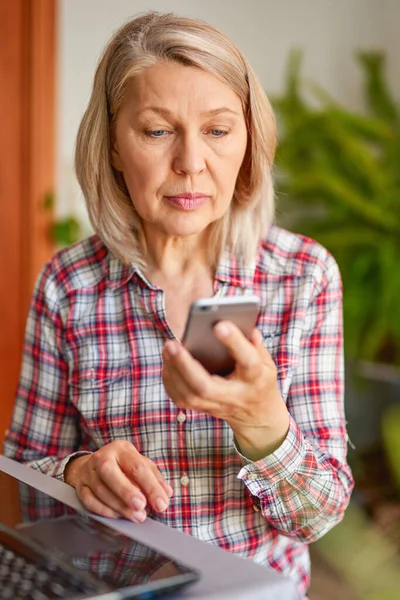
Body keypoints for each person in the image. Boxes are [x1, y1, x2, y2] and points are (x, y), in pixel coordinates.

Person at [3, 11, 354, 598]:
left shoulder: (302, 278)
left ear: (248, 142)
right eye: (158, 130)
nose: (192, 162)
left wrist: (263, 423)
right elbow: (23, 481)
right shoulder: (69, 286)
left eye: (218, 130)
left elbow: (316, 519)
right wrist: (78, 473)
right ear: (114, 145)